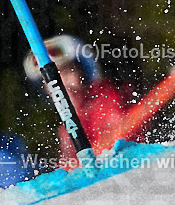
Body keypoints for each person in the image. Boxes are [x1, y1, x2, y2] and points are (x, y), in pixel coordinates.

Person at [23, 35, 127, 164]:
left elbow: (119, 148)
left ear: (85, 72)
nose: (62, 85)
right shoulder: (66, 129)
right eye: (51, 81)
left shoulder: (109, 101)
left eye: (67, 72)